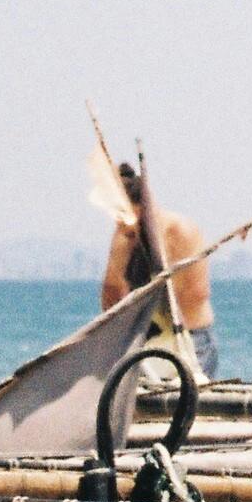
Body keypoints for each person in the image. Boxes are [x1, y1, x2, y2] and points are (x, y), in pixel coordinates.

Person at [99, 147, 219, 381]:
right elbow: (112, 297)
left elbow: (194, 295)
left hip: (190, 339)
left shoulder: (178, 231)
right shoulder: (128, 232)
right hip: (150, 340)